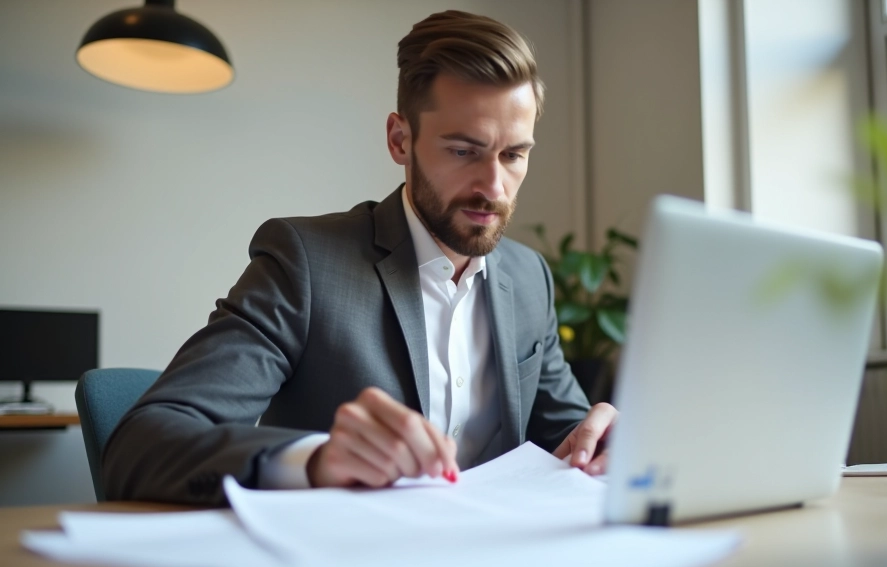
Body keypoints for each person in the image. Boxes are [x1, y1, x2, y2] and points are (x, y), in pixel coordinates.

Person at [103, 10, 618, 505]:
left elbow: (570, 433)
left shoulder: (529, 278)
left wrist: (605, 440)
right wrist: (314, 460)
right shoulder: (304, 264)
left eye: (513, 155)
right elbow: (141, 445)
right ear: (400, 139)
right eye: (463, 151)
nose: (493, 186)